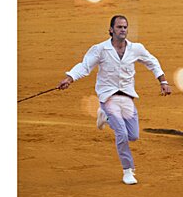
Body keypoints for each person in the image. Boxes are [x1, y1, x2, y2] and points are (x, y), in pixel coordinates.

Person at [57, 15, 172, 185]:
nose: (123, 30)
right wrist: (69, 78)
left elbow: (152, 62)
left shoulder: (136, 49)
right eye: (119, 27)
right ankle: (128, 170)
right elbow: (85, 66)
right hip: (108, 96)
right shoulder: (100, 49)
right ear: (111, 30)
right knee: (122, 134)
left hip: (126, 97)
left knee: (133, 135)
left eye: (125, 27)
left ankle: (103, 115)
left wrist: (163, 81)